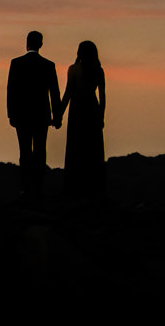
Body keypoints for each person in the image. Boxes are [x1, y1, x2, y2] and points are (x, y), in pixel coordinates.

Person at [6, 32, 62, 201]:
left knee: (24, 151)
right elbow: (54, 93)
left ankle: (25, 187)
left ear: (26, 44)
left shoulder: (16, 64)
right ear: (41, 45)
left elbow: (11, 91)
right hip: (41, 115)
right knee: (40, 151)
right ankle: (38, 187)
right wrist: (57, 116)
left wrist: (11, 114)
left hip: (22, 116)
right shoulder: (48, 65)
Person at [57, 40, 106, 202]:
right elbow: (103, 97)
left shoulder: (73, 70)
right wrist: (101, 116)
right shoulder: (99, 71)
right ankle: (93, 187)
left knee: (76, 147)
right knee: (92, 149)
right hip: (92, 108)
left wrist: (59, 114)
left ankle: (74, 187)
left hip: (77, 110)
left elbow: (68, 94)